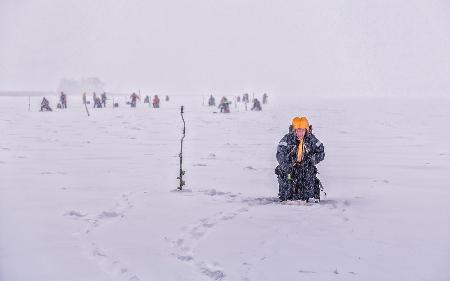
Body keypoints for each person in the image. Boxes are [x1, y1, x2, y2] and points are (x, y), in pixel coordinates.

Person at [275, 117, 325, 202]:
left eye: (302, 130)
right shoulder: (287, 139)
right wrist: (286, 166)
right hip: (290, 167)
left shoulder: (311, 139)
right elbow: (280, 153)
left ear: (306, 130)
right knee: (287, 181)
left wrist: (312, 160)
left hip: (305, 167)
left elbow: (321, 152)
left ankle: (310, 196)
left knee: (307, 185)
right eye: (297, 130)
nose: (300, 133)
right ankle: (286, 196)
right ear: (294, 130)